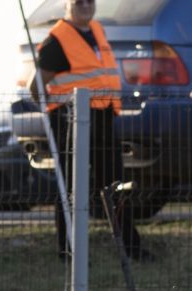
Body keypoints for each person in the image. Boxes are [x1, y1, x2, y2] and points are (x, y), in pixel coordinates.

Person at [33, 0, 152, 262]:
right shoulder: (57, 41)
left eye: (90, 0)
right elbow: (37, 87)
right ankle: (68, 252)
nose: (86, 5)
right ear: (67, 4)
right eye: (79, 1)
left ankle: (130, 248)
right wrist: (57, 112)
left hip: (103, 117)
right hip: (70, 122)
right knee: (71, 188)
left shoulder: (97, 30)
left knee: (115, 185)